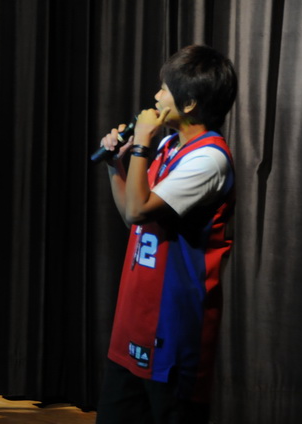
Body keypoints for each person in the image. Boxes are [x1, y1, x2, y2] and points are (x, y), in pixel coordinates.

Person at [95, 45, 237, 424]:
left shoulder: (208, 159)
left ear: (189, 103)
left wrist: (141, 143)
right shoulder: (168, 146)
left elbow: (138, 209)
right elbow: (134, 218)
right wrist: (115, 165)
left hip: (171, 328)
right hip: (134, 320)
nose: (156, 96)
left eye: (165, 89)